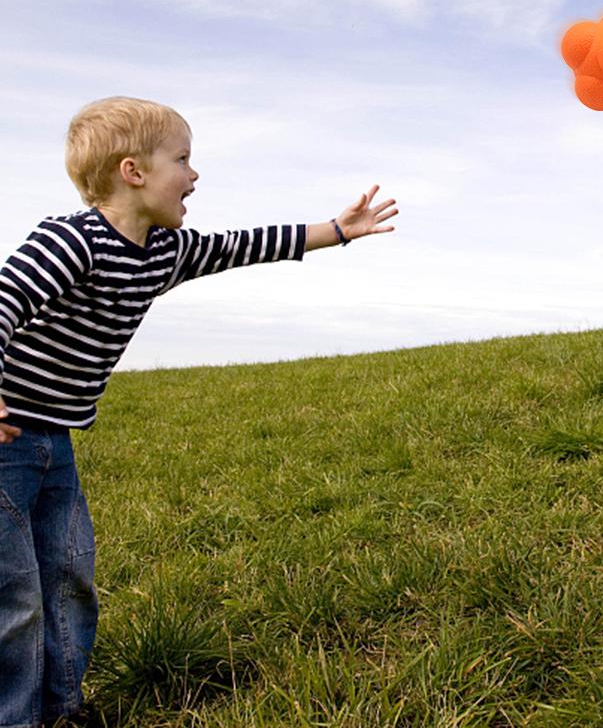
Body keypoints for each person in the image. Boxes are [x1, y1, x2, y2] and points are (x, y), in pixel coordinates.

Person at [0, 96, 398, 728]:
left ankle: (64, 708)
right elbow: (5, 299)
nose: (194, 175)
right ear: (133, 172)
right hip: (5, 443)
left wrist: (339, 229)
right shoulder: (70, 240)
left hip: (58, 441)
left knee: (69, 575)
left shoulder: (162, 251)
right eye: (182, 160)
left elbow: (247, 245)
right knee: (14, 594)